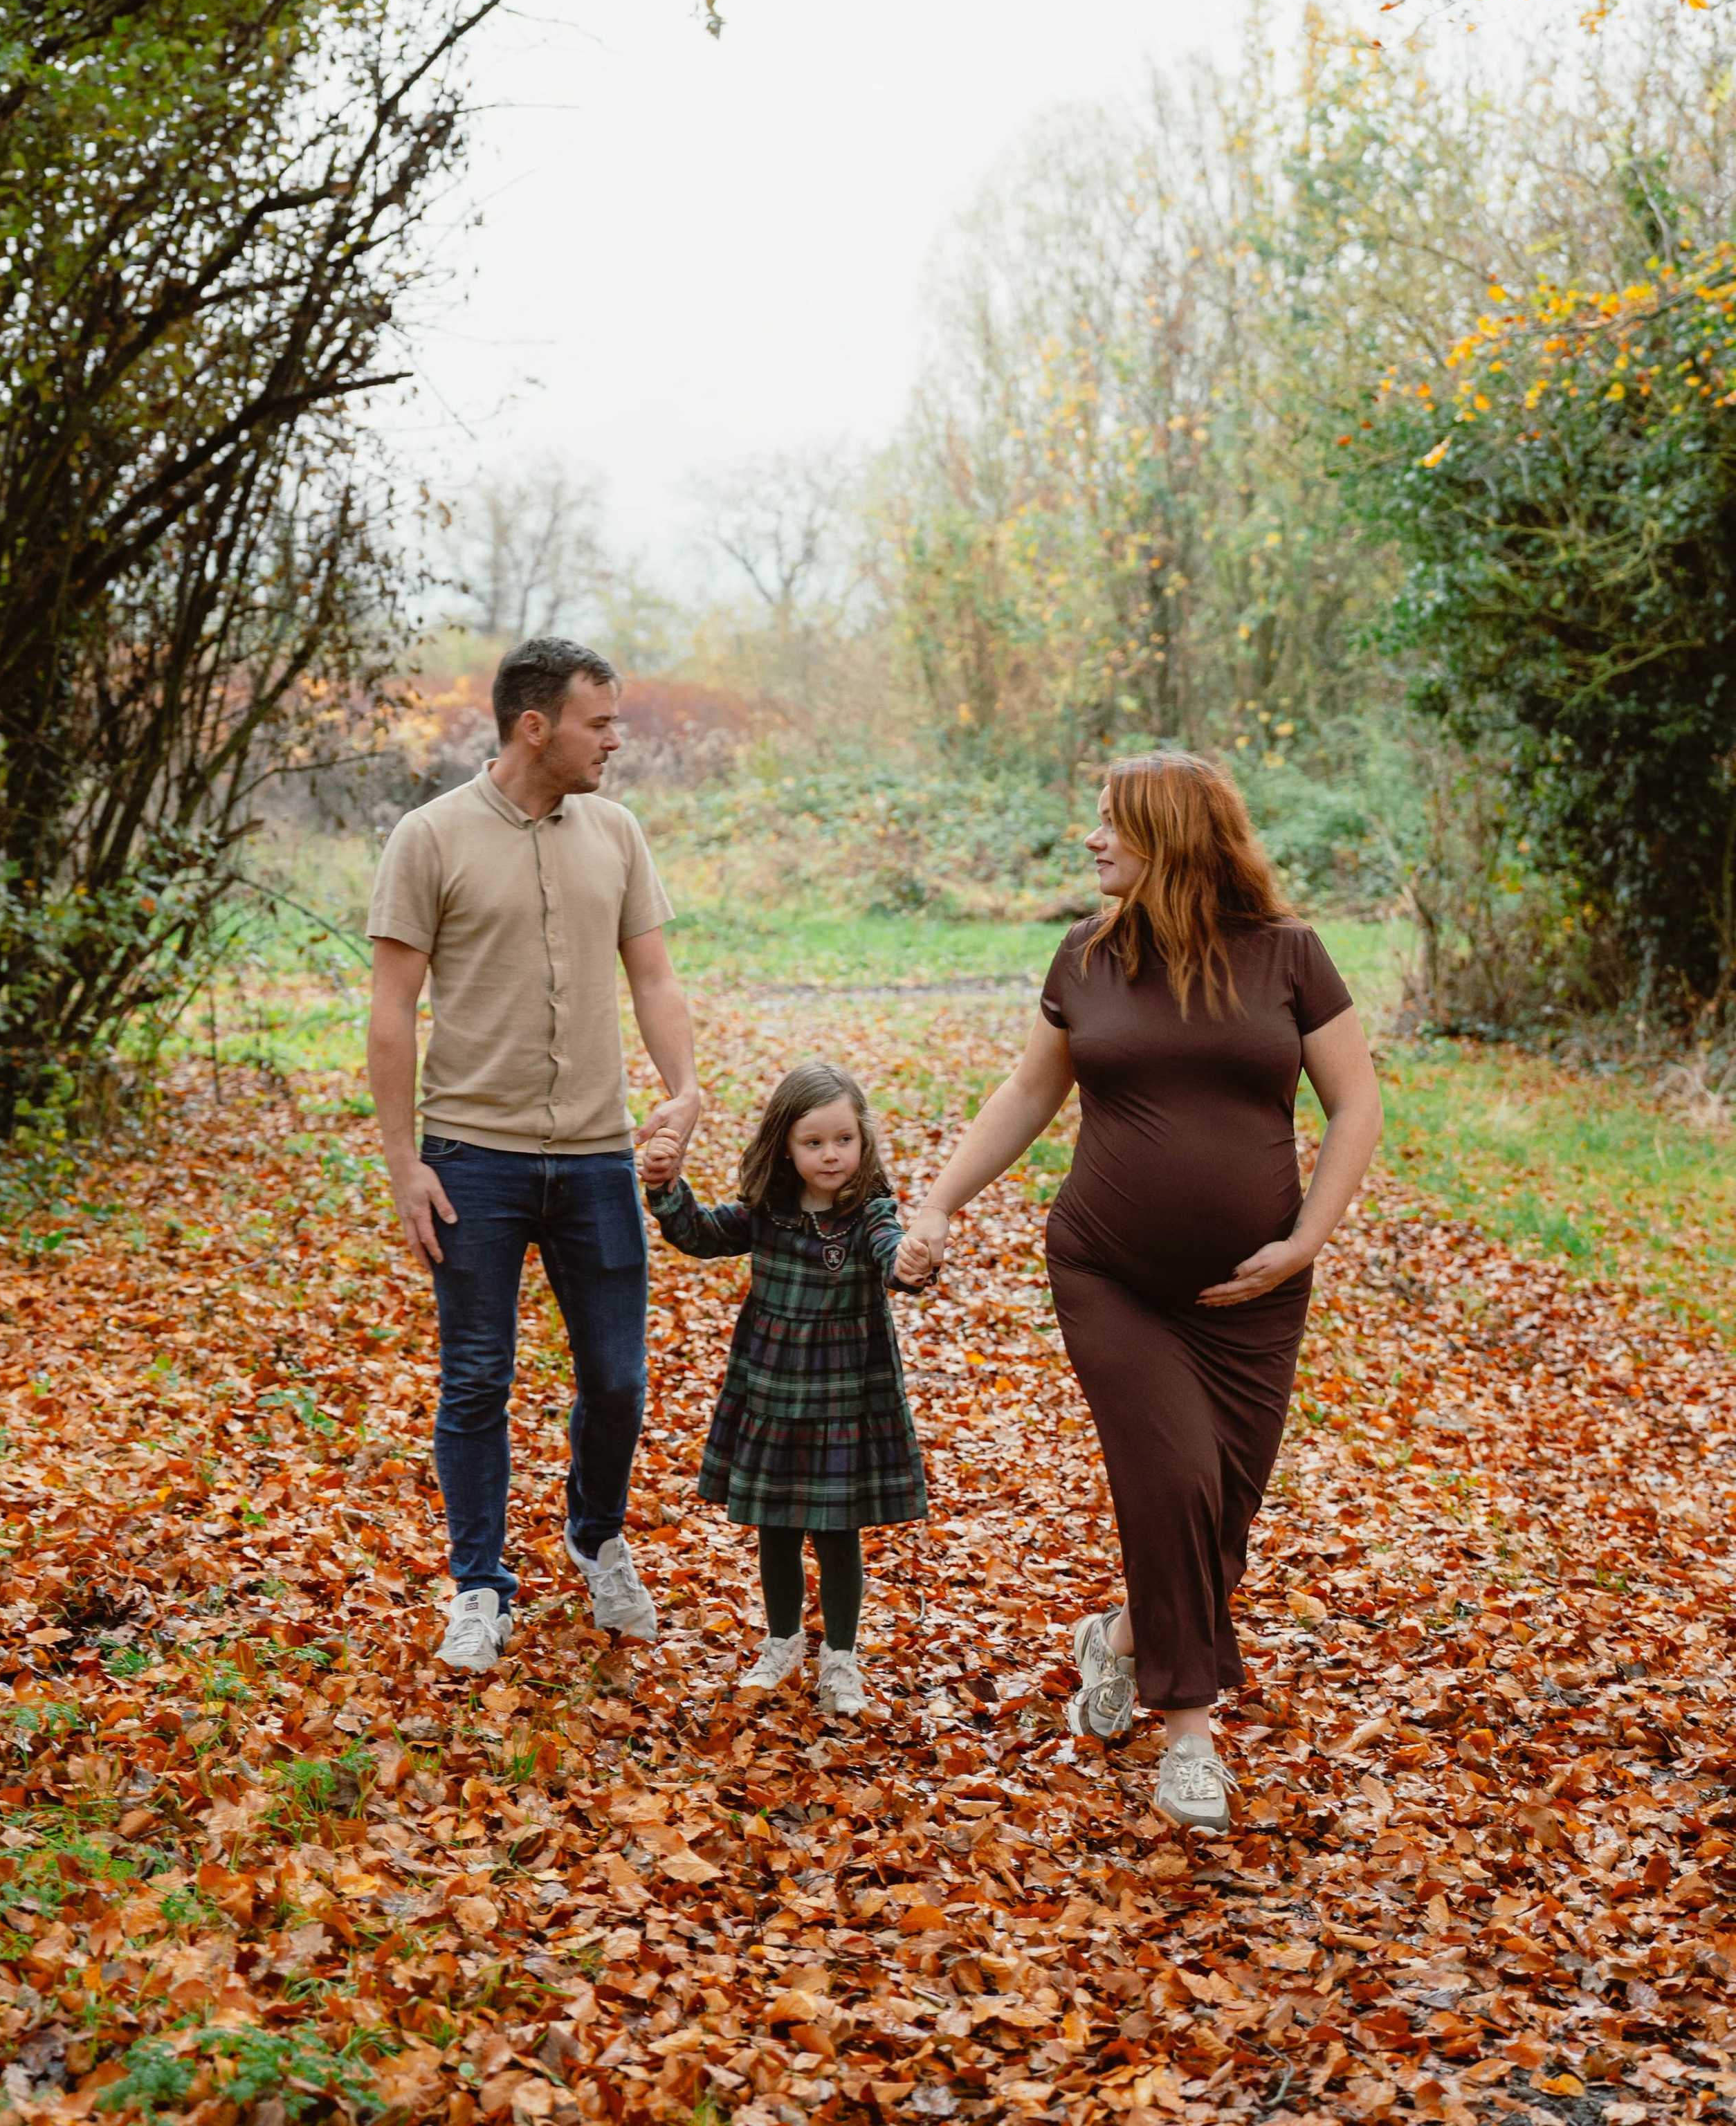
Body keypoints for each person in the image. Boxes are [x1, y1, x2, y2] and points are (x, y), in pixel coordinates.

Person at [904, 751, 1381, 1835]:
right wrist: (937, 1205)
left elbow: (1356, 1104)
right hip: (1109, 1275)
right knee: (1174, 1488)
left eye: (1112, 820)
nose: (1092, 839)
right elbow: (1029, 1091)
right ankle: (1190, 1739)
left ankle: (1118, 1639)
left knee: (1223, 1516)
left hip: (1254, 1296)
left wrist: (1306, 1241)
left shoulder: (1289, 955)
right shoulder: (1088, 955)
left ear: (1173, 834)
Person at [366, 635, 702, 1676]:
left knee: (619, 1382)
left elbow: (654, 977)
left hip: (598, 1157)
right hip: (474, 1158)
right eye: (600, 723)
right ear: (534, 726)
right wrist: (403, 1161)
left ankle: (596, 1538)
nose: (616, 741)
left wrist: (684, 1088)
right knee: (475, 1379)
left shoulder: (617, 832)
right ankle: (478, 1586)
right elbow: (391, 1008)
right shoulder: (429, 837)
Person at [641, 1060, 933, 1720]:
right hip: (773, 1390)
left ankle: (841, 1658)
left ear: (863, 1140)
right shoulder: (767, 1212)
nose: (831, 1155)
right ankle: (782, 1642)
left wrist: (911, 1263)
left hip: (845, 1396)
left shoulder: (870, 1212)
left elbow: (892, 1253)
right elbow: (699, 1234)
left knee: (836, 1530)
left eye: (844, 1140)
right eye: (814, 1142)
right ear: (785, 1146)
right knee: (775, 1524)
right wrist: (666, 1187)